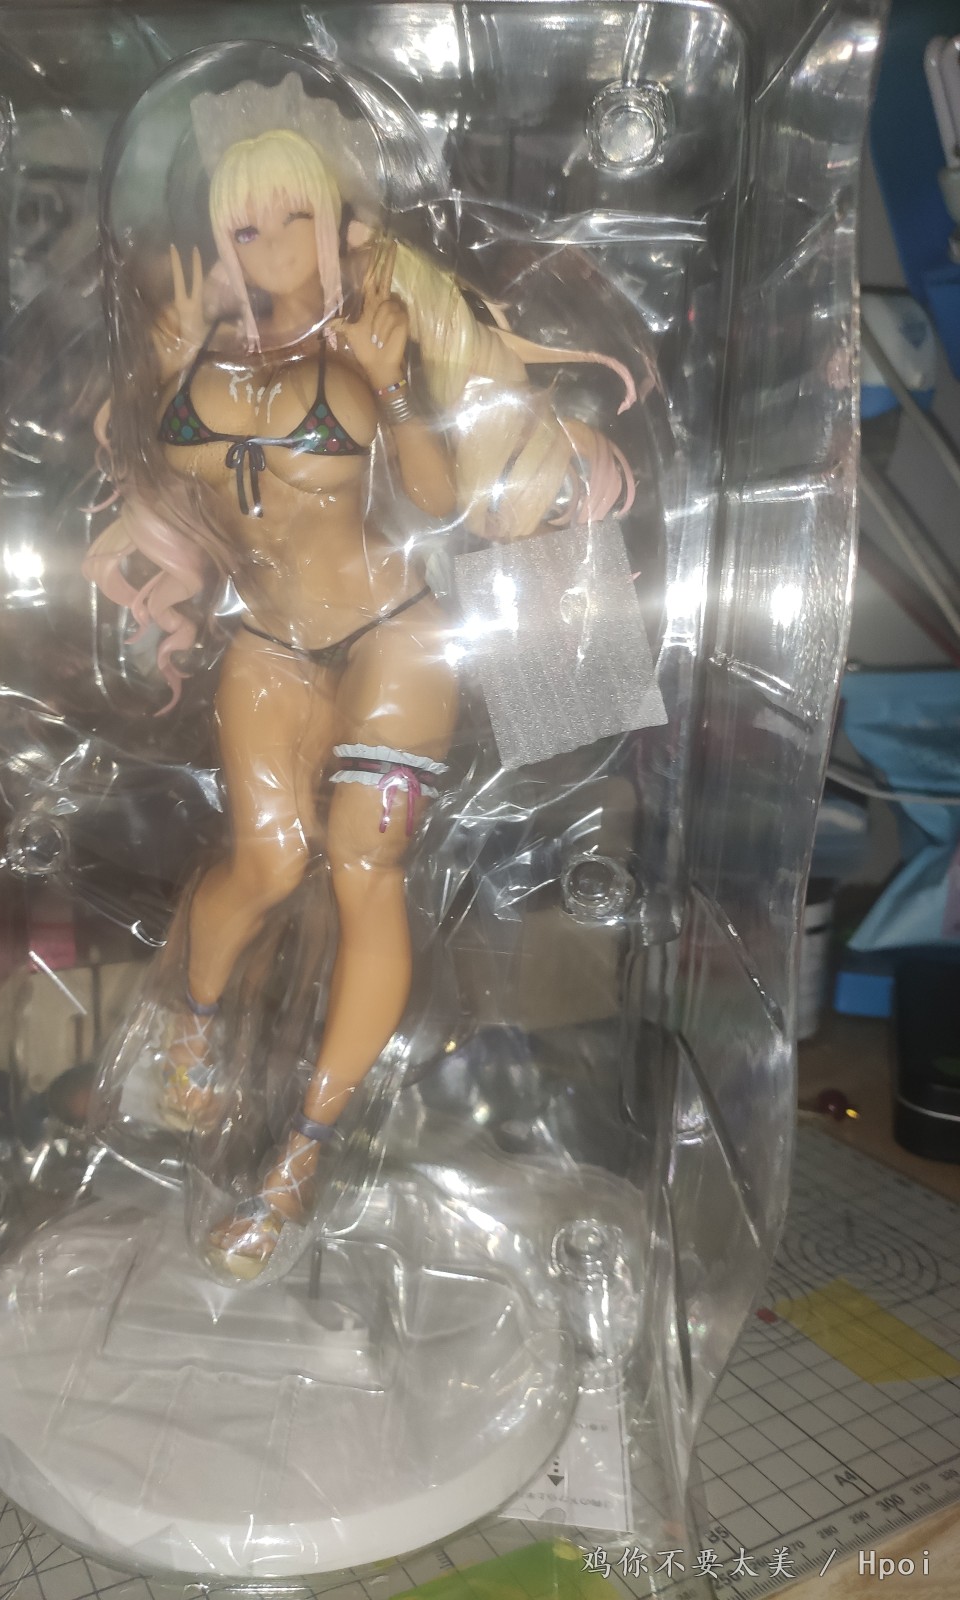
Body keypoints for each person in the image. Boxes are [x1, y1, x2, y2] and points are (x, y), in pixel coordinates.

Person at [85, 111, 635, 1278]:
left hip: (395, 633)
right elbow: (163, 484)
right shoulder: (195, 352)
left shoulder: (378, 339)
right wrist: (160, 370)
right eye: (247, 227)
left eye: (300, 216)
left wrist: (393, 390)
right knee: (266, 861)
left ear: (342, 224)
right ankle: (191, 1023)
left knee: (362, 865)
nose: (275, 245)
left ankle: (302, 1155)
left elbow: (438, 501)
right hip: (268, 643)